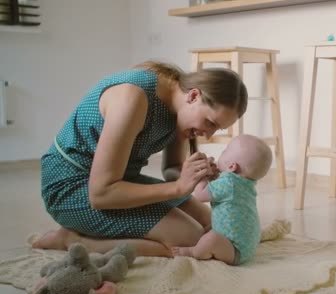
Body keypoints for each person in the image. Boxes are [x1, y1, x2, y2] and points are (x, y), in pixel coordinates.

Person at [31, 61, 248, 257]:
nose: (208, 134)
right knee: (190, 238)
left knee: (211, 223)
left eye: (216, 128)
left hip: (120, 183)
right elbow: (101, 194)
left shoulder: (180, 110)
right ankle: (73, 240)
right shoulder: (133, 99)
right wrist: (178, 188)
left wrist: (195, 175)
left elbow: (172, 169)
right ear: (193, 96)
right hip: (72, 186)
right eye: (210, 122)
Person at [172, 134, 272, 265]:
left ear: (231, 166)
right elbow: (220, 191)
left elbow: (201, 196)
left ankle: (194, 251)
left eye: (225, 151)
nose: (221, 153)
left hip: (234, 250)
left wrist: (202, 176)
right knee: (208, 230)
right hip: (246, 246)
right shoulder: (246, 183)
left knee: (210, 239)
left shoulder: (229, 182)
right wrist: (212, 177)